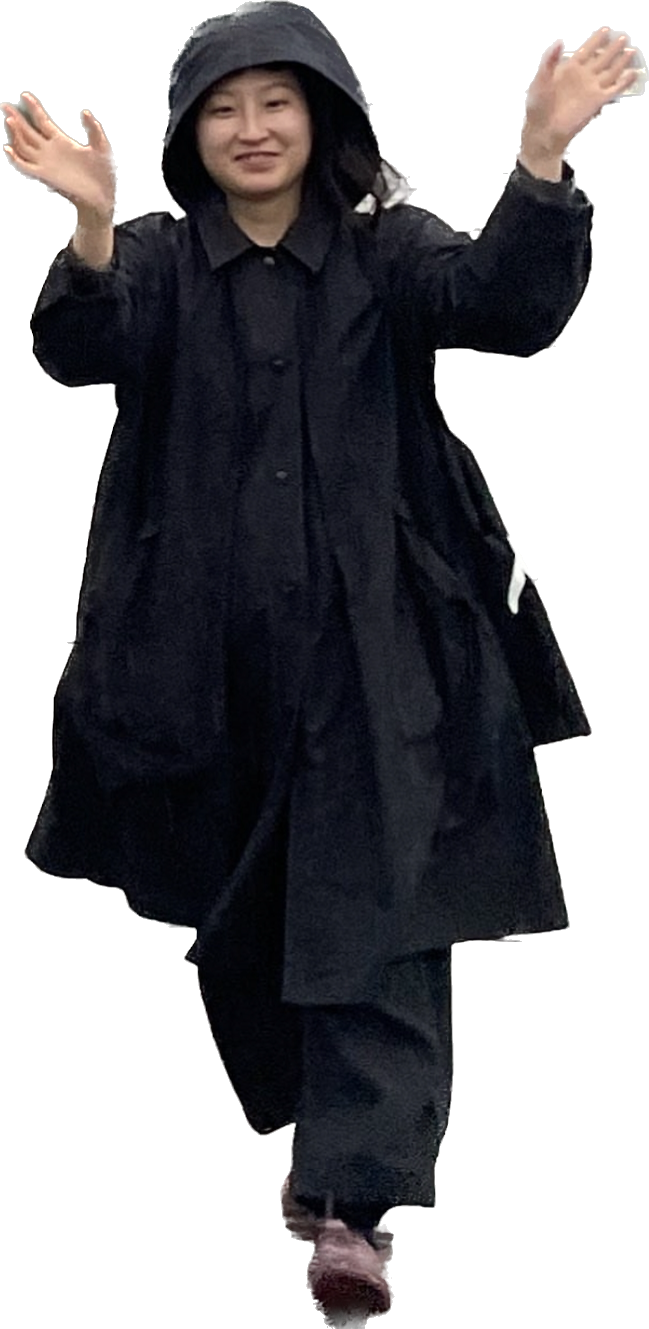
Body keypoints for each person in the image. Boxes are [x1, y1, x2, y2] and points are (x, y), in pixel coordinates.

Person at [4, 5, 638, 1322]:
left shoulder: (383, 239)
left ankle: (357, 1204)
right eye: (224, 108)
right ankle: (321, 1133)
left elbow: (501, 308)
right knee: (248, 902)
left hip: (380, 648)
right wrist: (92, 228)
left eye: (277, 102)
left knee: (386, 902)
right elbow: (79, 348)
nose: (253, 129)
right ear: (190, 134)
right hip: (202, 654)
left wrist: (540, 160)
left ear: (323, 116)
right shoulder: (160, 257)